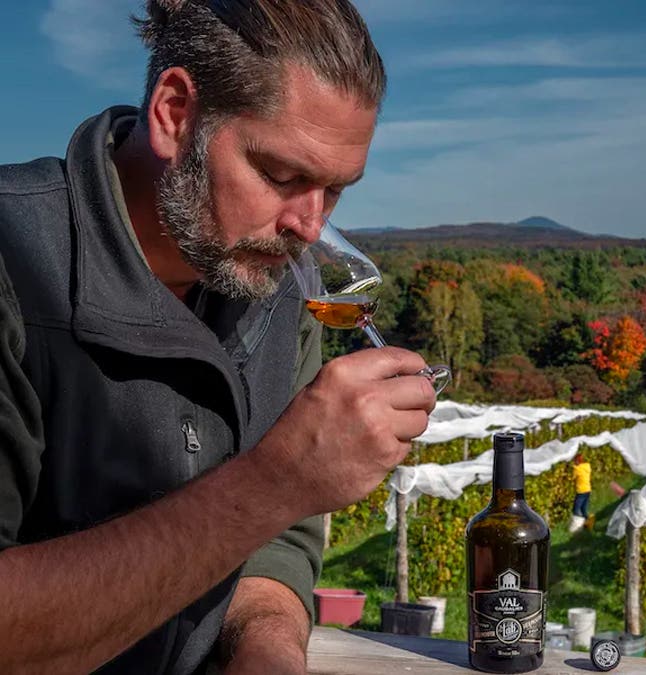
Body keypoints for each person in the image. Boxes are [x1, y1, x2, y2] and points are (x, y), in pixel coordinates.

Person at [0, 1, 436, 673]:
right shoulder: (15, 265)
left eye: (336, 190)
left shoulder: (281, 285)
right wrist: (278, 480)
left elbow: (275, 544)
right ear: (175, 113)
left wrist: (267, 646)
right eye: (283, 176)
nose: (311, 227)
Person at [568, 453, 592, 532]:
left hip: (581, 491)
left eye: (575, 461)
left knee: (576, 509)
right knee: (583, 508)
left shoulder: (576, 469)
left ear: (577, 461)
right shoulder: (587, 466)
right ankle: (588, 524)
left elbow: (572, 477)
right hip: (588, 490)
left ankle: (577, 528)